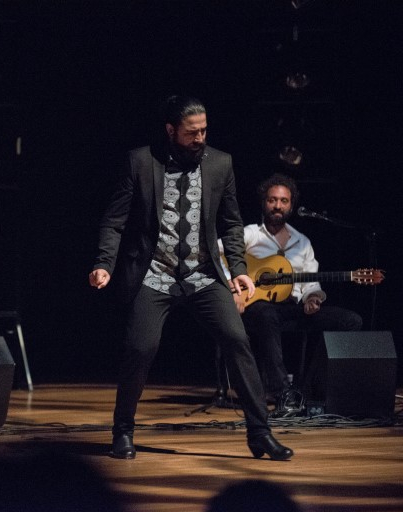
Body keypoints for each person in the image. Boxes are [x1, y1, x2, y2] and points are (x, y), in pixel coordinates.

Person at [89, 95, 293, 460]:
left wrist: (239, 270)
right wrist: (104, 263)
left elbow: (231, 224)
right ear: (171, 130)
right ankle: (123, 431)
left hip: (203, 274)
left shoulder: (220, 163)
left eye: (204, 130)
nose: (200, 138)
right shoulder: (141, 161)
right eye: (191, 132)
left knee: (237, 340)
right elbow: (114, 221)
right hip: (155, 273)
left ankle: (260, 433)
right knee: (140, 347)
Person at [228, 173, 363, 400]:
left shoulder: (302, 242)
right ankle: (282, 391)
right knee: (266, 314)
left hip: (293, 308)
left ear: (291, 206)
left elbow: (311, 282)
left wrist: (313, 298)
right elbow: (219, 257)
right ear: (264, 203)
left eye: (284, 201)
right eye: (272, 200)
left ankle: (311, 388)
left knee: (351, 321)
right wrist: (234, 289)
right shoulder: (249, 234)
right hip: (257, 309)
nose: (277, 206)